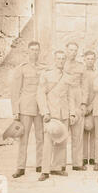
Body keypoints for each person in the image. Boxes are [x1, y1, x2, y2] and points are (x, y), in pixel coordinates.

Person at [37, 50, 76, 181]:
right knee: (48, 142)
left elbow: (70, 97)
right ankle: (45, 170)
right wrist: (45, 112)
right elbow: (41, 94)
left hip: (63, 113)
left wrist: (72, 113)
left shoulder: (67, 76)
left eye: (63, 59)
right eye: (58, 58)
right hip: (51, 114)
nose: (60, 61)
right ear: (54, 59)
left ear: (65, 61)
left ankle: (57, 167)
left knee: (62, 141)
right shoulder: (47, 75)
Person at [10, 41, 46, 178]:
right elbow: (15, 91)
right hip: (25, 107)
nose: (34, 52)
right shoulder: (22, 68)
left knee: (40, 137)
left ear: (39, 52)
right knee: (23, 139)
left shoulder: (43, 68)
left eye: (37, 50)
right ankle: (20, 167)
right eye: (32, 50)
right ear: (28, 51)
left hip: (40, 108)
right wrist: (15, 111)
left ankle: (40, 164)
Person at [64, 42, 87, 171]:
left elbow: (84, 86)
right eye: (70, 50)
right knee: (62, 133)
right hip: (64, 100)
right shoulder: (61, 64)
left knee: (77, 134)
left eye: (75, 50)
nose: (73, 52)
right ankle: (59, 163)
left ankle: (77, 163)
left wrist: (84, 103)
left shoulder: (81, 67)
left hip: (77, 99)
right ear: (66, 50)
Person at [82, 51, 96, 167]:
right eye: (88, 59)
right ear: (84, 60)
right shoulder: (81, 73)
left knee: (93, 131)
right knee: (82, 132)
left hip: (94, 105)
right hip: (82, 106)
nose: (90, 61)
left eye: (92, 59)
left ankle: (92, 157)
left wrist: (91, 106)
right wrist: (83, 106)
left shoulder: (97, 74)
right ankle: (83, 157)